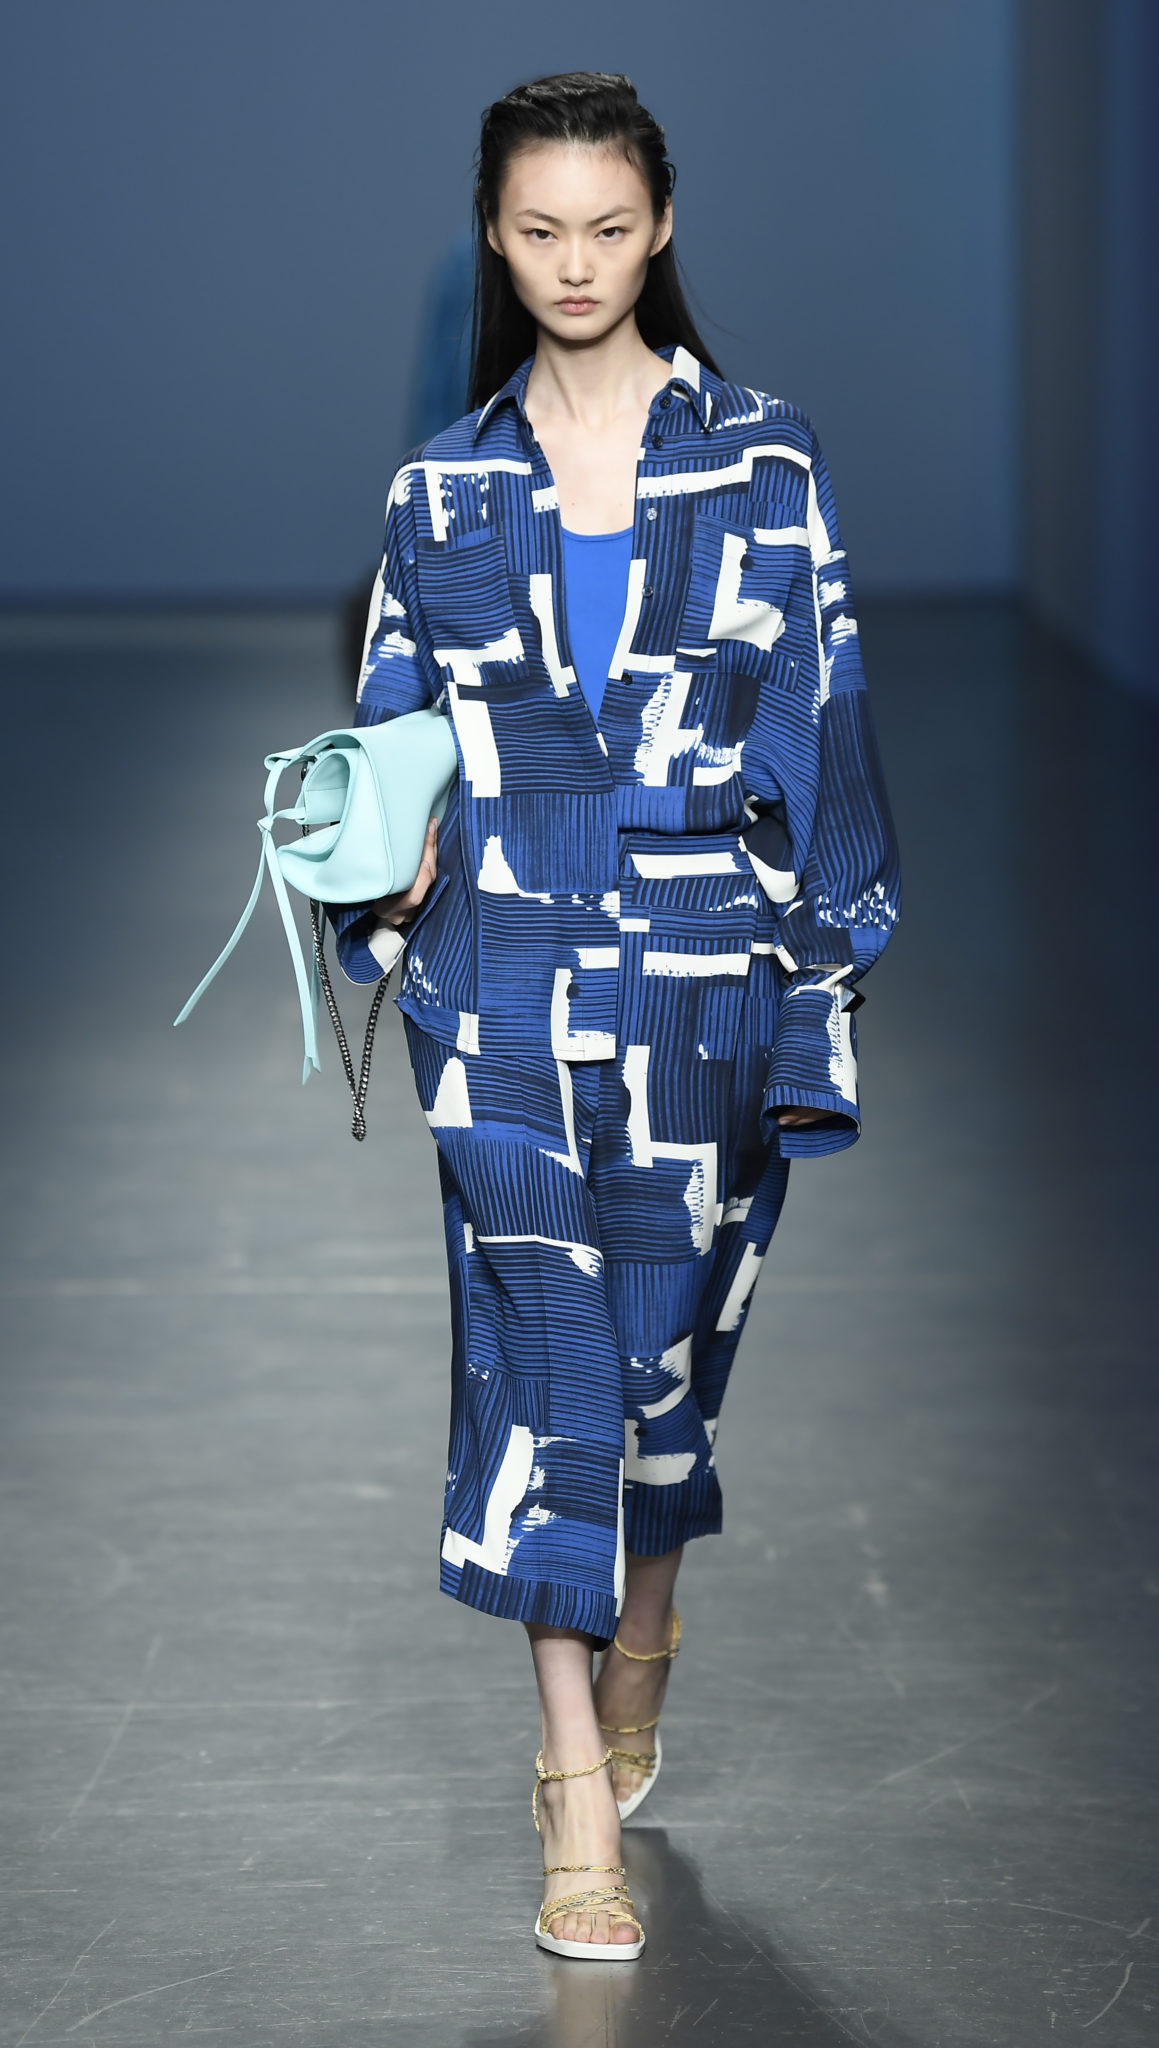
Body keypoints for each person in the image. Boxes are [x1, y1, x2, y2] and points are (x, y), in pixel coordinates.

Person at [330, 71, 901, 1960]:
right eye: (537, 231)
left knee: (660, 1370)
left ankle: (647, 1622)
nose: (574, 265)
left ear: (658, 231)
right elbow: (393, 734)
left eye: (608, 228)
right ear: (494, 241)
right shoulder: (443, 489)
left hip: (699, 981)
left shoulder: (764, 464)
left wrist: (817, 997)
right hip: (499, 970)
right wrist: (385, 874)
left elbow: (822, 732)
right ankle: (573, 1774)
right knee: (539, 1359)